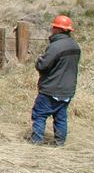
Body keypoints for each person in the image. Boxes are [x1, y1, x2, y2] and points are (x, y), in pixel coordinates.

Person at [31, 15, 81, 146]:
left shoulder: (56, 46)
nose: (52, 29)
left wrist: (39, 60)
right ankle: (60, 143)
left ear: (58, 29)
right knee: (61, 117)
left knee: (39, 115)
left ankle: (36, 141)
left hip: (51, 89)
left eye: (54, 27)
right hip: (67, 90)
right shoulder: (75, 46)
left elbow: (42, 65)